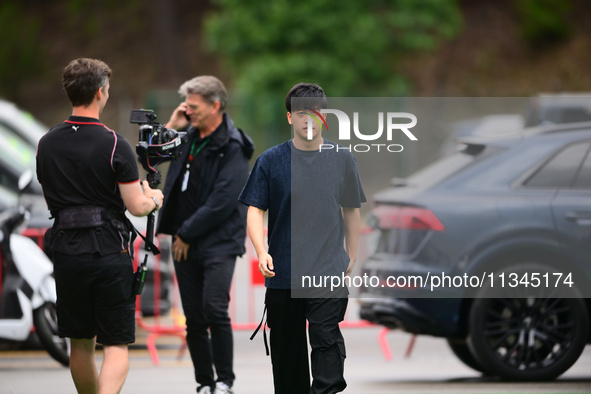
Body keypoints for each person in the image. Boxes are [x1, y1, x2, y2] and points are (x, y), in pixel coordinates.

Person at [36, 58, 164, 394]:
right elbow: (136, 206)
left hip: (66, 250)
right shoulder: (113, 143)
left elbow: (52, 200)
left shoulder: (46, 142)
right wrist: (155, 198)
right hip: (108, 251)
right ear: (100, 92)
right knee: (116, 343)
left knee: (79, 343)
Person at [239, 83, 366, 394]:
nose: (308, 119)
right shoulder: (271, 161)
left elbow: (351, 210)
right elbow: (255, 210)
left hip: (326, 270)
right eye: (300, 113)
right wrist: (260, 251)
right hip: (283, 272)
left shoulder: (342, 159)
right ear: (289, 118)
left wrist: (351, 254)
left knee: (326, 342)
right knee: (287, 352)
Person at [157, 75, 254, 394]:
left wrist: (184, 232)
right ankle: (204, 383)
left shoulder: (234, 145)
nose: (190, 112)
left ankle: (225, 381)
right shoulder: (185, 136)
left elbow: (223, 201)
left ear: (216, 105)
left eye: (194, 107)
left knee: (214, 309)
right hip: (185, 243)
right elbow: (152, 160)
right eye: (187, 106)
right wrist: (171, 126)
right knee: (194, 318)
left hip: (219, 243)